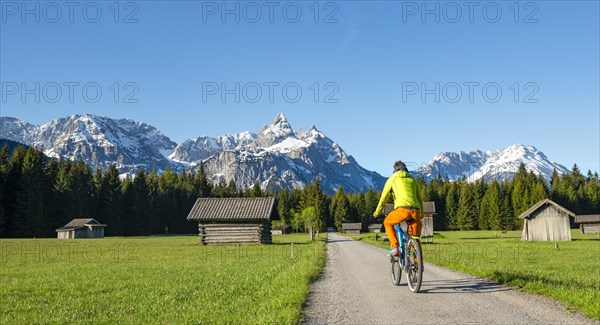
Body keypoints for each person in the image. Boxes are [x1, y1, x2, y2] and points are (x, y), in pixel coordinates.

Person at [373, 161, 423, 256]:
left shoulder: (393, 178)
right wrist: (422, 214)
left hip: (402, 210)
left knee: (387, 222)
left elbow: (384, 197)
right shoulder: (413, 179)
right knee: (415, 238)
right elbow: (420, 198)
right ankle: (419, 265)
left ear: (395, 169)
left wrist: (377, 212)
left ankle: (395, 247)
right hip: (416, 211)